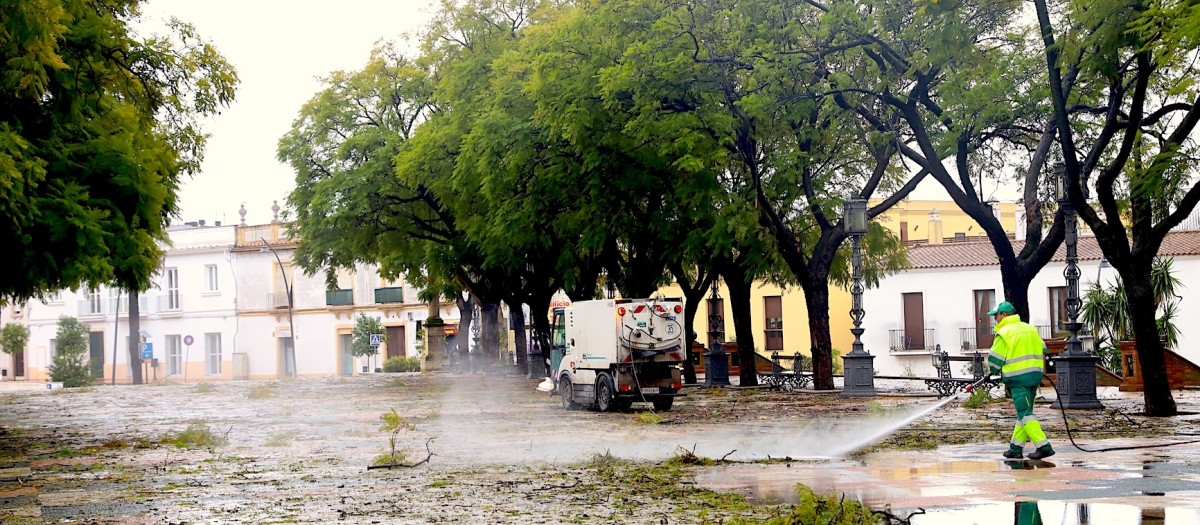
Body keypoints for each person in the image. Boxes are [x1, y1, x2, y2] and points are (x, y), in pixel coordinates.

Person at [986, 301, 1055, 460]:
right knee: (1024, 413)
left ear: (1004, 315)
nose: (995, 319)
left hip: (1018, 379)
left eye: (996, 316)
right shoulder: (1029, 328)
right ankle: (1015, 448)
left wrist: (994, 370)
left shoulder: (1004, 333)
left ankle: (1043, 446)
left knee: (1024, 413)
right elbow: (1043, 348)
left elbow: (995, 360)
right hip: (1034, 377)